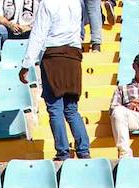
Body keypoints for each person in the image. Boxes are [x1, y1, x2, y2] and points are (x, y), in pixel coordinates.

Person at [20, 0, 90, 161]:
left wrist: (26, 65)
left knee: (55, 108)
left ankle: (63, 152)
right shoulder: (76, 3)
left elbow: (38, 34)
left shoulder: (47, 3)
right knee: (71, 109)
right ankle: (84, 150)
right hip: (73, 56)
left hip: (53, 57)